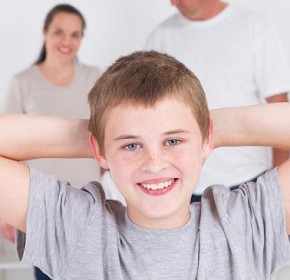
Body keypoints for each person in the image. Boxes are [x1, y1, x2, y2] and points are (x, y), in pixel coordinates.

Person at [0, 51, 290, 279]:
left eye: (173, 141)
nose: (154, 163)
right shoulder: (78, 229)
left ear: (206, 138)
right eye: (131, 145)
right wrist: (101, 136)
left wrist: (206, 130)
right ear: (98, 150)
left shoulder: (244, 226)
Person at [146, 0, 290, 201]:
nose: (172, 2)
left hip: (249, 180)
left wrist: (277, 184)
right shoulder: (161, 36)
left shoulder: (252, 27)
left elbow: (279, 107)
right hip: (182, 185)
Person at [0, 4, 102, 280]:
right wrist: (6, 212)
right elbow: (5, 148)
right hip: (38, 208)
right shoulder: (23, 83)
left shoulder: (95, 79)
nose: (67, 41)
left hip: (89, 206)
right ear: (44, 33)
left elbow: (109, 135)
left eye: (75, 34)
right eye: (59, 32)